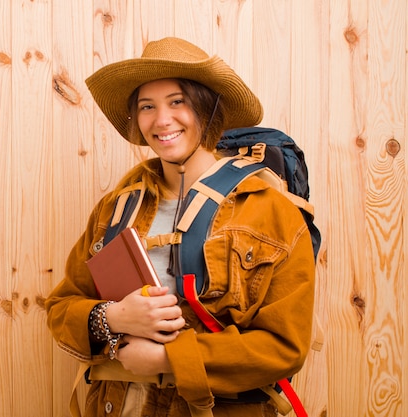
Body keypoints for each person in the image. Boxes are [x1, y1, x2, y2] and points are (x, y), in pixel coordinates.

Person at [45, 37, 315, 417]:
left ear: (207, 107)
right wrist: (114, 317)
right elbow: (61, 308)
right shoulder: (117, 207)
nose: (162, 120)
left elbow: (284, 347)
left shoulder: (270, 211)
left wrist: (168, 359)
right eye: (147, 107)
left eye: (177, 101)